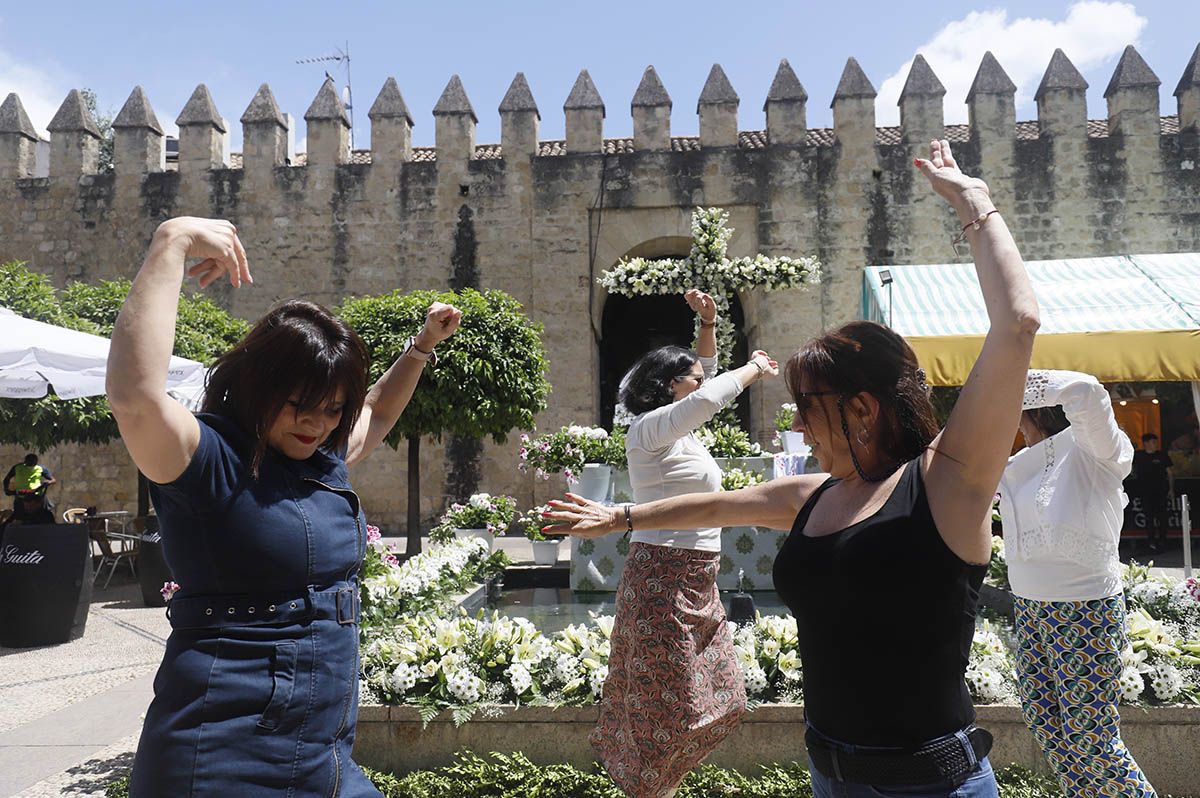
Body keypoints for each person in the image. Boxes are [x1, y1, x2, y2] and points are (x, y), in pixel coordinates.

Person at [545, 139, 1039, 798]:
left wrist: (976, 208)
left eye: (807, 411)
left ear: (863, 408)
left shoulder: (947, 485)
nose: (797, 428)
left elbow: (1018, 323)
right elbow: (719, 507)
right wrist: (621, 517)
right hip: (829, 779)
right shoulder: (819, 495)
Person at [106, 216, 461, 797]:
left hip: (322, 749)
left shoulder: (315, 456)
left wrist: (420, 348)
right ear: (258, 387)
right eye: (299, 404)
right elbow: (135, 396)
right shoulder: (207, 461)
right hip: (222, 749)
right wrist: (171, 243)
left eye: (330, 409)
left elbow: (374, 415)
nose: (317, 423)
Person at [594, 288, 777, 798]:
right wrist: (753, 368)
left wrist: (711, 325)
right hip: (661, 579)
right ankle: (652, 790)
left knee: (724, 699)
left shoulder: (682, 434)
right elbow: (709, 394)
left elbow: (705, 383)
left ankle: (661, 786)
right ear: (669, 386)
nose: (705, 378)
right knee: (665, 707)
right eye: (694, 375)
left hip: (698, 582)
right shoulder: (649, 430)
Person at [999, 370, 1155, 796]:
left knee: (1091, 740)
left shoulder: (1096, 451)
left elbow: (1085, 391)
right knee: (1046, 724)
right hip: (1030, 607)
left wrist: (1005, 378)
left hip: (1084, 608)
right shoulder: (1014, 464)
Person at [1133, 432, 1174, 553]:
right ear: (1146, 443)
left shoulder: (1162, 455)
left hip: (1161, 491)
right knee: (1149, 518)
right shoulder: (1139, 456)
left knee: (1162, 517)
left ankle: (1163, 541)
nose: (1155, 444)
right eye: (1153, 442)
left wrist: (1171, 489)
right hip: (1145, 492)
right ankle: (1151, 542)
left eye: (1156, 442)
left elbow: (1170, 473)